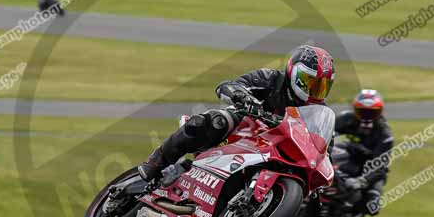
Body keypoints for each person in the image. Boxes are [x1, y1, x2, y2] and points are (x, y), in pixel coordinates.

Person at [138, 45, 336, 181]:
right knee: (215, 121)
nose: (314, 90)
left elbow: (324, 152)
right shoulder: (272, 79)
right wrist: (243, 98)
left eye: (322, 85)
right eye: (310, 82)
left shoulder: (320, 114)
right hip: (247, 127)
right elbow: (230, 86)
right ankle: (157, 161)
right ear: (293, 73)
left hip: (277, 151)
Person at [334, 89, 393, 217]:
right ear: (355, 110)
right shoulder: (345, 119)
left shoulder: (385, 134)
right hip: (347, 158)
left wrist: (362, 181)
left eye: (372, 113)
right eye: (362, 112)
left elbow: (380, 167)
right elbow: (325, 133)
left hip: (370, 168)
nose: (367, 116)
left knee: (372, 206)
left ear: (380, 112)